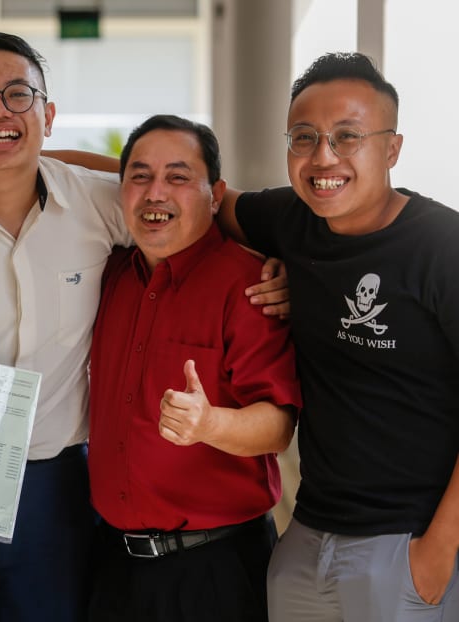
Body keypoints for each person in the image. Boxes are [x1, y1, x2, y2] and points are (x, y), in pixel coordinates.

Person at [0, 32, 289, 622]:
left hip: (58, 493)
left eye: (18, 95)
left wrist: (276, 256)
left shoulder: (100, 208)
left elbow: (168, 198)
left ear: (48, 115)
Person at [214, 52, 459, 621]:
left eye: (348, 136)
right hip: (305, 537)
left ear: (392, 148)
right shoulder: (292, 221)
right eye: (304, 137)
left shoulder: (443, 247)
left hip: (407, 546)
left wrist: (438, 553)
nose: (323, 157)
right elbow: (172, 189)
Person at [85, 114, 301, 622]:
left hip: (214, 571)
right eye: (139, 176)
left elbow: (279, 427)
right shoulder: (111, 273)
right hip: (113, 565)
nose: (155, 193)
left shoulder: (249, 286)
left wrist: (210, 423)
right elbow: (55, 171)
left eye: (178, 177)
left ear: (214, 194)